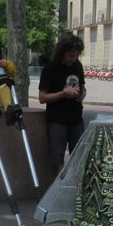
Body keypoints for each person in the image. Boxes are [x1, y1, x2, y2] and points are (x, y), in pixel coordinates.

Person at [38, 33, 86, 174]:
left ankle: (76, 188)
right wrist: (63, 93)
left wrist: (81, 94)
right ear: (62, 53)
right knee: (57, 159)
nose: (74, 59)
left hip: (76, 119)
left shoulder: (77, 65)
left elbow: (82, 87)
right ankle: (57, 189)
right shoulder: (50, 69)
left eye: (77, 56)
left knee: (79, 157)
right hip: (57, 120)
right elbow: (42, 97)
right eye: (71, 56)